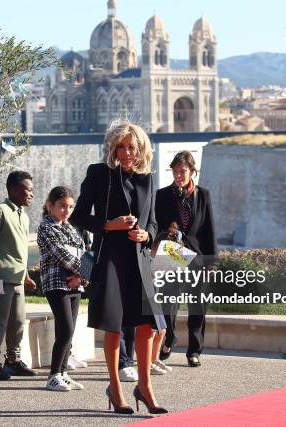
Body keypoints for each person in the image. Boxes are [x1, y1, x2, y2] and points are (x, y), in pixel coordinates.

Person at [70, 120, 167, 415]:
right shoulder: (99, 174)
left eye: (131, 147)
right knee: (113, 325)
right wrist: (109, 225)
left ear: (141, 149)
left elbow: (152, 221)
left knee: (147, 325)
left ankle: (145, 387)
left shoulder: (148, 179)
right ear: (112, 148)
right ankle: (116, 388)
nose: (126, 152)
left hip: (139, 258)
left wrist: (146, 234)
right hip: (110, 257)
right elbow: (78, 216)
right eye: (120, 147)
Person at [155, 151, 218, 367]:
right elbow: (156, 228)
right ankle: (169, 337)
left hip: (198, 257)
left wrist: (212, 261)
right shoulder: (162, 196)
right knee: (168, 303)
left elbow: (209, 229)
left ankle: (194, 351)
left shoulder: (203, 195)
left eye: (183, 171)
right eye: (175, 171)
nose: (179, 175)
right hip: (172, 255)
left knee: (198, 306)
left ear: (192, 171)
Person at [0, 171, 38, 380]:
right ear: (13, 190)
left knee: (18, 323)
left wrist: (26, 275)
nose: (31, 194)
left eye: (32, 190)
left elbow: (19, 250)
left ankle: (13, 361)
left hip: (17, 279)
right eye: (27, 190)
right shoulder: (0, 211)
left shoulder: (24, 216)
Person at [37, 186, 87, 392]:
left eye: (70, 207)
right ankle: (53, 375)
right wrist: (84, 273)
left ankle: (64, 373)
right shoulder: (46, 228)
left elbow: (83, 251)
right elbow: (61, 254)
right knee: (65, 328)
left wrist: (82, 278)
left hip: (75, 285)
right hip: (56, 283)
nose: (67, 211)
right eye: (62, 206)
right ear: (50, 206)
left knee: (69, 330)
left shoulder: (70, 227)